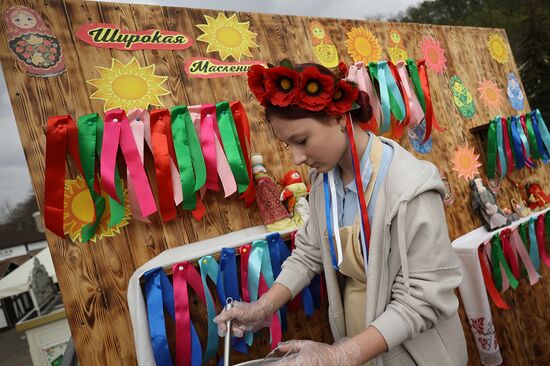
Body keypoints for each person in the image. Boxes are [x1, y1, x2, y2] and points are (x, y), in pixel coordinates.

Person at [214, 61, 468, 366]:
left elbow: (421, 300)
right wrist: (264, 307)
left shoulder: (409, 188)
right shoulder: (325, 183)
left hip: (414, 351)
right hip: (360, 344)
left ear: (338, 117)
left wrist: (340, 354)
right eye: (287, 146)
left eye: (302, 141)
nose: (297, 158)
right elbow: (309, 253)